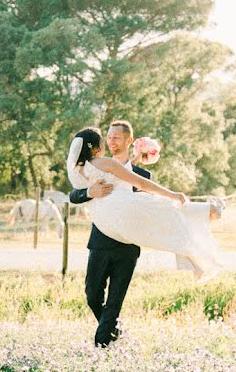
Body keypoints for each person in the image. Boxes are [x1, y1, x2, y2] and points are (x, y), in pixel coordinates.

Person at [68, 123, 222, 347]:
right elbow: (74, 194)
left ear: (129, 141)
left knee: (115, 301)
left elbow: (150, 201)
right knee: (92, 295)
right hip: (101, 240)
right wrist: (89, 192)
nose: (111, 141)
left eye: (116, 138)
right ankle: (113, 331)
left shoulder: (141, 173)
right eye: (109, 137)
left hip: (127, 247)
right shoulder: (90, 168)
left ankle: (102, 349)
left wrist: (172, 196)